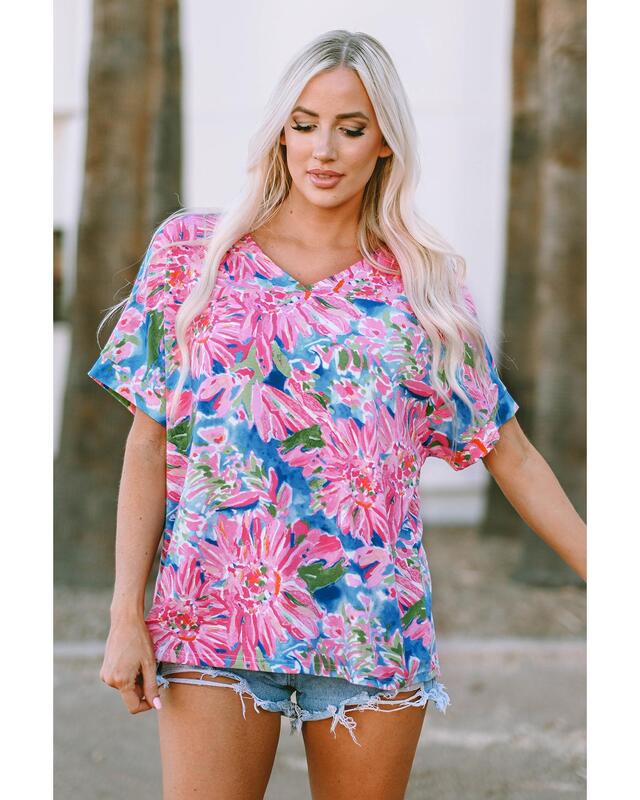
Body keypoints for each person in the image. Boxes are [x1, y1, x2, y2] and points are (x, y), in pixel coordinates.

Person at [88, 29, 587, 800]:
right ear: (280, 132)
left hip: (371, 627)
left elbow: (508, 449)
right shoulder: (194, 253)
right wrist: (127, 614)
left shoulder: (425, 285)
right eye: (304, 124)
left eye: (351, 129)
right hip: (210, 616)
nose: (323, 150)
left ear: (385, 142)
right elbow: (147, 444)